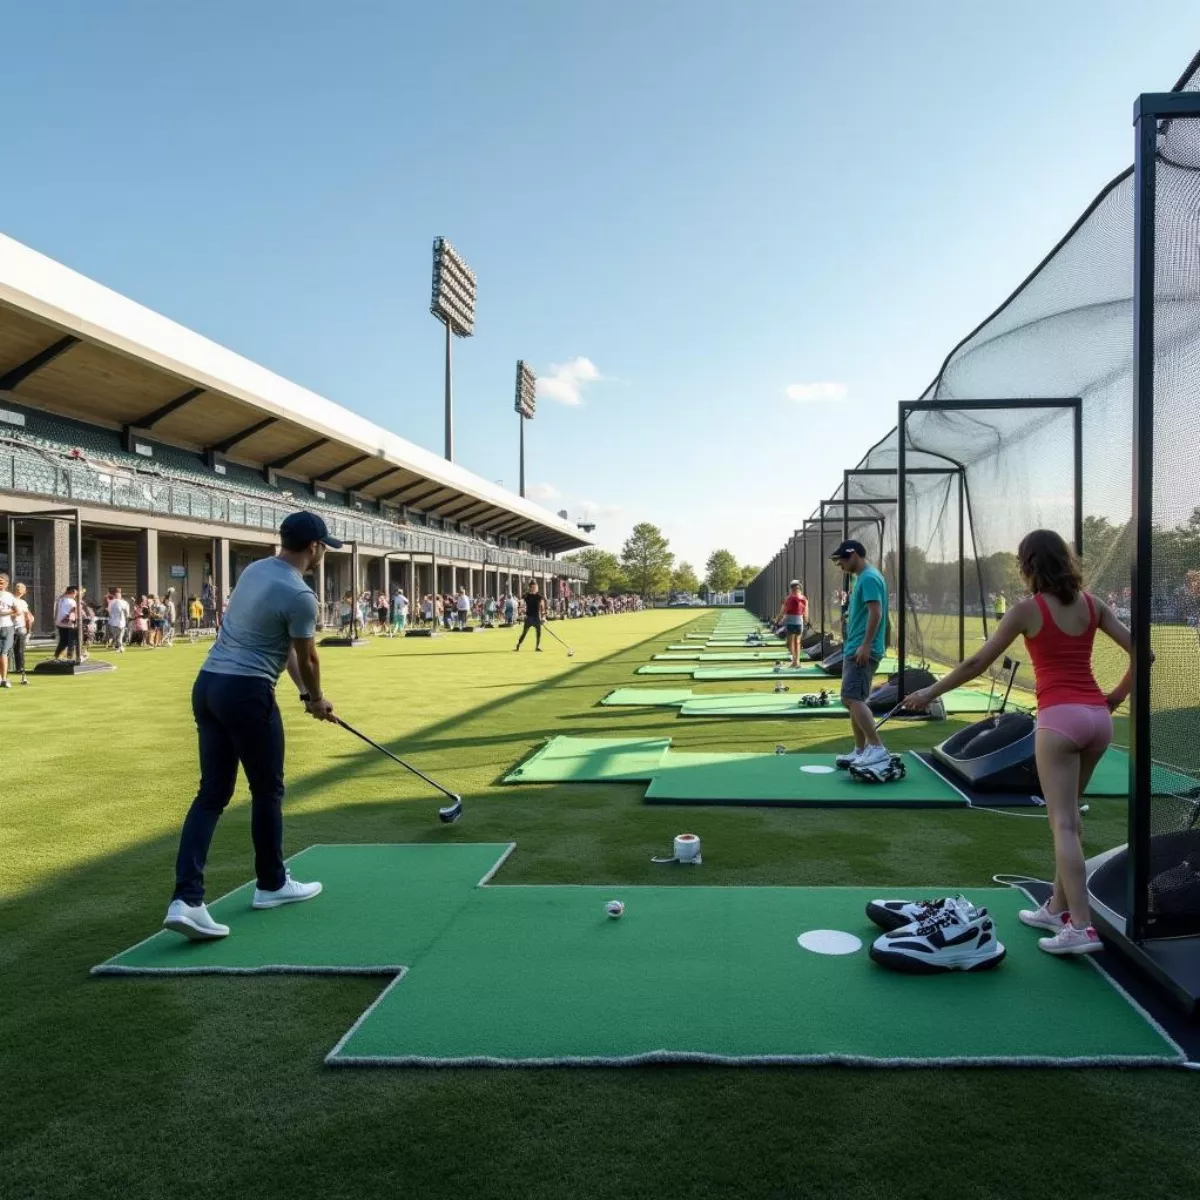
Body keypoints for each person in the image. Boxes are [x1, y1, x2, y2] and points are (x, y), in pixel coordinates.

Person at [903, 529, 1133, 957]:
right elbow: (1146, 653)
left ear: (1027, 566)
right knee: (1070, 821)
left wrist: (928, 694)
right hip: (1099, 721)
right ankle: (1057, 908)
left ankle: (1080, 927)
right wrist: (1117, 696)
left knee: (1062, 823)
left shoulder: (1027, 610)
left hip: (1060, 722)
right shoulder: (1093, 605)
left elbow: (976, 663)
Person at [164, 511, 340, 942]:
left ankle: (186, 900)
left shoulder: (255, 571)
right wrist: (317, 698)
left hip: (208, 686)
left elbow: (283, 652)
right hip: (246, 693)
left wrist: (305, 695)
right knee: (267, 790)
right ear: (315, 547)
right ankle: (272, 884)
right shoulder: (302, 595)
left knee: (212, 793)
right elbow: (309, 656)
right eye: (323, 547)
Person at [829, 541, 890, 774]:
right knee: (854, 700)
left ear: (852, 555)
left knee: (851, 698)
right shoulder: (862, 578)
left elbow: (877, 612)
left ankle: (876, 748)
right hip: (855, 647)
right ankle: (860, 750)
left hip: (862, 650)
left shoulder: (869, 578)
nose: (840, 565)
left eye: (841, 560)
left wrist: (865, 645)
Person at [774, 580, 808, 669]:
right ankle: (795, 661)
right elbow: (784, 611)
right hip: (792, 622)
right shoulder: (789, 598)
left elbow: (805, 611)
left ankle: (796, 662)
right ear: (791, 588)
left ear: (799, 588)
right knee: (791, 644)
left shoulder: (802, 598)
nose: (795, 589)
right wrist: (779, 620)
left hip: (797, 623)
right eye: (793, 587)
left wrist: (806, 620)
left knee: (796, 643)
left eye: (796, 587)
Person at [515, 579, 545, 651]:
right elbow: (521, 602)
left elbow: (543, 606)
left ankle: (537, 647)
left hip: (537, 618)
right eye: (531, 587)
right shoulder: (526, 595)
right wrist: (520, 608)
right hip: (529, 618)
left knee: (538, 633)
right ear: (530, 587)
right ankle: (518, 645)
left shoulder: (539, 596)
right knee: (524, 633)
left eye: (534, 586)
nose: (533, 588)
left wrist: (543, 617)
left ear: (536, 587)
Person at [11, 581, 32, 685]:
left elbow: (28, 615)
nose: (19, 589)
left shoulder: (23, 603)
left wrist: (30, 619)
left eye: (21, 588)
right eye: (17, 587)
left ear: (24, 591)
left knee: (20, 650)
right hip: (9, 627)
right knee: (7, 650)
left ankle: (20, 668)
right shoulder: (11, 600)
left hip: (21, 628)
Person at [53, 585, 80, 661]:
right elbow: (73, 614)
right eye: (76, 593)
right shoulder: (72, 602)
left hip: (60, 623)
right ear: (73, 592)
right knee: (71, 641)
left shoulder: (61, 599)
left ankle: (57, 655)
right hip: (69, 624)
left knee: (63, 641)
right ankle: (70, 656)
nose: (76, 595)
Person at [0, 574, 16, 689]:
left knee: (3, 653)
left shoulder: (9, 596)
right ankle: (3, 678)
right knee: (2, 654)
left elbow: (17, 611)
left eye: (1, 583)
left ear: (6, 584)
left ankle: (4, 678)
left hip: (7, 627)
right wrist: (9, 612)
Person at [108, 587, 130, 652]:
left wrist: (127, 616)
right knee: (115, 635)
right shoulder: (112, 602)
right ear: (115, 595)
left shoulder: (124, 602)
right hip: (113, 621)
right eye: (117, 594)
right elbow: (109, 611)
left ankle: (120, 646)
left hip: (121, 621)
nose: (118, 595)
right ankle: (119, 646)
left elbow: (127, 611)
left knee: (120, 635)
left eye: (119, 594)